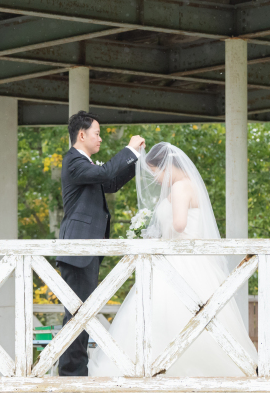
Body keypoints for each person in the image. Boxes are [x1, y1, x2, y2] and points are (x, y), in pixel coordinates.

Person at [88, 142, 257, 377]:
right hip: (196, 263)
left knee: (164, 312)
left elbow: (179, 225)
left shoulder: (179, 187)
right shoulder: (191, 184)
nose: (155, 178)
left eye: (155, 172)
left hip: (179, 260)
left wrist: (156, 237)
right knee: (203, 316)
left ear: (165, 167)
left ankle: (159, 366)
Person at [56, 111, 145, 376]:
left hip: (87, 250)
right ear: (81, 135)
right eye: (97, 133)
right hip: (77, 250)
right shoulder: (73, 162)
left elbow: (111, 181)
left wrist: (137, 159)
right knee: (77, 315)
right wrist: (128, 148)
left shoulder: (86, 165)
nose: (101, 139)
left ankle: (75, 371)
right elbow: (106, 172)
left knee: (83, 313)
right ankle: (72, 373)